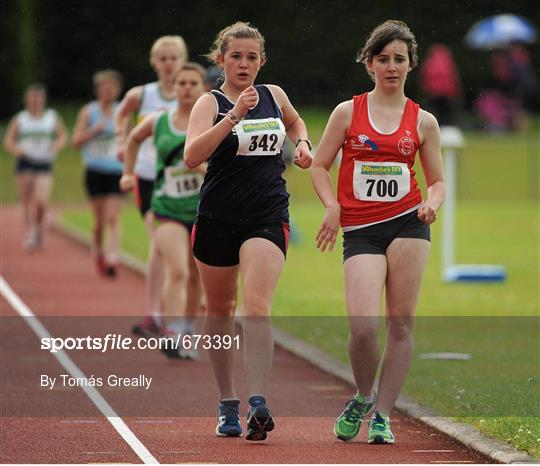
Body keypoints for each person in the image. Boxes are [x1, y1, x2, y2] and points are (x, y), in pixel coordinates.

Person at [310, 20, 445, 444]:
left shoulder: (424, 122)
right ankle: (364, 395)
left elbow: (437, 181)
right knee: (363, 328)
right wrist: (332, 206)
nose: (391, 67)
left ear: (410, 65)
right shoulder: (347, 112)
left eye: (399, 60)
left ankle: (383, 415)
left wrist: (432, 203)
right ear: (369, 64)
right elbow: (318, 164)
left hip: (408, 223)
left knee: (401, 325)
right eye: (383, 59)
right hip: (362, 229)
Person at [184, 21, 312, 441]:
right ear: (220, 59)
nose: (243, 63)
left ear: (261, 61)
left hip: (267, 216)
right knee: (219, 311)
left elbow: (295, 124)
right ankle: (227, 403)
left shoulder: (275, 96)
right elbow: (192, 155)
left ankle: (259, 401)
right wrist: (233, 116)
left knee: (255, 307)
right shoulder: (210, 101)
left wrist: (304, 144)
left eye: (251, 57)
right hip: (217, 219)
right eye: (235, 56)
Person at [120, 63, 206, 359]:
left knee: (196, 276)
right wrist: (128, 173)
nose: (186, 88)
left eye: (192, 83)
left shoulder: (214, 123)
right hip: (166, 207)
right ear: (175, 89)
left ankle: (188, 328)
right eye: (181, 83)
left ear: (203, 88)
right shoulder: (160, 121)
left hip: (202, 211)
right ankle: (171, 330)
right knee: (178, 269)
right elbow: (132, 139)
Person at [115, 36, 188, 336]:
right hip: (149, 178)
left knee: (185, 255)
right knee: (159, 246)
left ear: (183, 61)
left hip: (188, 183)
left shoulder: (192, 95)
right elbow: (121, 117)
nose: (168, 64)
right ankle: (156, 314)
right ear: (154, 62)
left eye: (174, 58)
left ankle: (178, 314)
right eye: (163, 58)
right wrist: (122, 142)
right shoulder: (141, 96)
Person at [72, 70, 125, 277]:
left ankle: (113, 257)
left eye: (112, 86)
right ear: (98, 90)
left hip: (115, 171)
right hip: (94, 171)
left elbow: (130, 138)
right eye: (104, 86)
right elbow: (75, 142)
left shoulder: (122, 111)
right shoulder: (88, 112)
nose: (108, 90)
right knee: (99, 220)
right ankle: (98, 250)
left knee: (112, 217)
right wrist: (93, 131)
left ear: (118, 89)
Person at [3, 83, 68, 251]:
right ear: (26, 100)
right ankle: (31, 231)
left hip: (44, 162)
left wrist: (56, 146)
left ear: (43, 100)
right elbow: (8, 140)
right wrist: (17, 150)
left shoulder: (51, 117)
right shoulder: (20, 119)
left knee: (41, 201)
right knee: (26, 202)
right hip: (26, 162)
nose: (35, 101)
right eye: (32, 98)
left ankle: (37, 228)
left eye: (39, 98)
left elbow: (63, 135)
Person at [419, 44, 462, 126]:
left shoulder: (429, 62)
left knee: (433, 112)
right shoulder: (448, 63)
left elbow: (424, 77)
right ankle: (445, 128)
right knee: (445, 113)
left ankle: (433, 127)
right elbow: (453, 78)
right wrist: (455, 92)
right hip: (446, 94)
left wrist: (425, 90)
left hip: (432, 93)